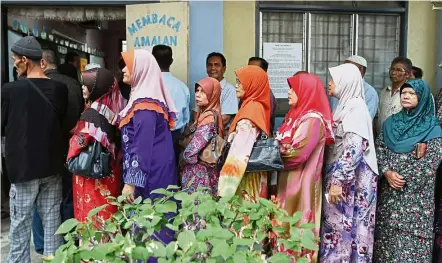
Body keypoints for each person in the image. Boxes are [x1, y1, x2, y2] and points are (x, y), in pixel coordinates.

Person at [2, 36, 68, 262]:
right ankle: (54, 259)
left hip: (23, 168)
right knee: (52, 222)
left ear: (24, 60)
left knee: (20, 225)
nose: (13, 64)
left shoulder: (10, 90)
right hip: (52, 165)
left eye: (14, 60)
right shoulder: (59, 89)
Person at [373, 79, 442, 262]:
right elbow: (379, 148)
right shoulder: (390, 123)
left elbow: (432, 160)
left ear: (423, 97)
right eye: (404, 93)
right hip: (389, 197)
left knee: (411, 248)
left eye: (412, 93)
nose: (406, 96)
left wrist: (403, 177)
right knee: (387, 245)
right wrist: (387, 172)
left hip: (415, 200)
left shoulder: (433, 127)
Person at [319, 63, 378, 262]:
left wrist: (337, 182)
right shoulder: (345, 106)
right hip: (341, 179)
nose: (329, 83)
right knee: (338, 228)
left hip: (350, 181)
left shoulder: (357, 108)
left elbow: (354, 149)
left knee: (345, 229)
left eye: (334, 80)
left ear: (347, 82)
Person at [119, 49, 178, 247]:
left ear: (141, 70)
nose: (123, 70)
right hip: (153, 170)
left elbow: (141, 148)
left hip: (149, 174)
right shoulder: (142, 99)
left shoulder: (145, 106)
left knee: (151, 224)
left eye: (128, 65)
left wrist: (131, 183)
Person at [275, 72, 334, 261]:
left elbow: (297, 153)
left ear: (305, 91)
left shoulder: (313, 120)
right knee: (284, 224)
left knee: (299, 226)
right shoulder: (295, 115)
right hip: (288, 181)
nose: (289, 92)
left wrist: (274, 153)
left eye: (294, 88)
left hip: (302, 184)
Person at [67, 68, 124, 223]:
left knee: (91, 214)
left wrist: (72, 140)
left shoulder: (92, 114)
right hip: (110, 169)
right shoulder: (115, 110)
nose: (83, 88)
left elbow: (80, 140)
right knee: (109, 210)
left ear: (97, 87)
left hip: (91, 173)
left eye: (87, 84)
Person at [218, 65, 271, 198]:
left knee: (242, 214)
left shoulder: (250, 111)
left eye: (240, 82)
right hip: (251, 173)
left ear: (252, 84)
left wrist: (224, 190)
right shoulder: (254, 105)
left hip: (243, 179)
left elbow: (238, 155)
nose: (236, 86)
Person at [180, 77, 223, 195]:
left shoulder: (208, 119)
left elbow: (191, 152)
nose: (198, 95)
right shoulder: (203, 114)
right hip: (204, 171)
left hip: (198, 174)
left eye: (203, 91)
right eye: (197, 91)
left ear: (213, 94)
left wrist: (182, 161)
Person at [152, 45, 190, 170]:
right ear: (171, 61)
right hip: (174, 137)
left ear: (152, 60)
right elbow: (186, 119)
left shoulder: (145, 86)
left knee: (152, 175)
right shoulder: (182, 87)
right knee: (171, 174)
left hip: (151, 137)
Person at [193, 52, 238, 132]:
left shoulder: (230, 90)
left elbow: (225, 119)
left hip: (217, 137)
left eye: (217, 65)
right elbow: (195, 114)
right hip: (200, 133)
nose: (212, 68)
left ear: (224, 69)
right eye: (209, 65)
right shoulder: (202, 87)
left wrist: (202, 127)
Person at [329, 55, 379, 120]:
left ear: (360, 70)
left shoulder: (370, 93)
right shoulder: (337, 88)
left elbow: (365, 120)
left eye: (348, 68)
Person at [376, 56, 412, 135]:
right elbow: (378, 116)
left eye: (398, 70)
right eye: (392, 69)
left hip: (398, 140)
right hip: (380, 140)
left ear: (407, 74)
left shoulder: (410, 94)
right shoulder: (384, 92)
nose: (393, 73)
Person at [248, 57, 277, 133]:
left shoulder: (266, 94)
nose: (250, 72)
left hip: (260, 139)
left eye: (254, 69)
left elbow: (260, 120)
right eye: (249, 68)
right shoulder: (247, 91)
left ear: (264, 72)